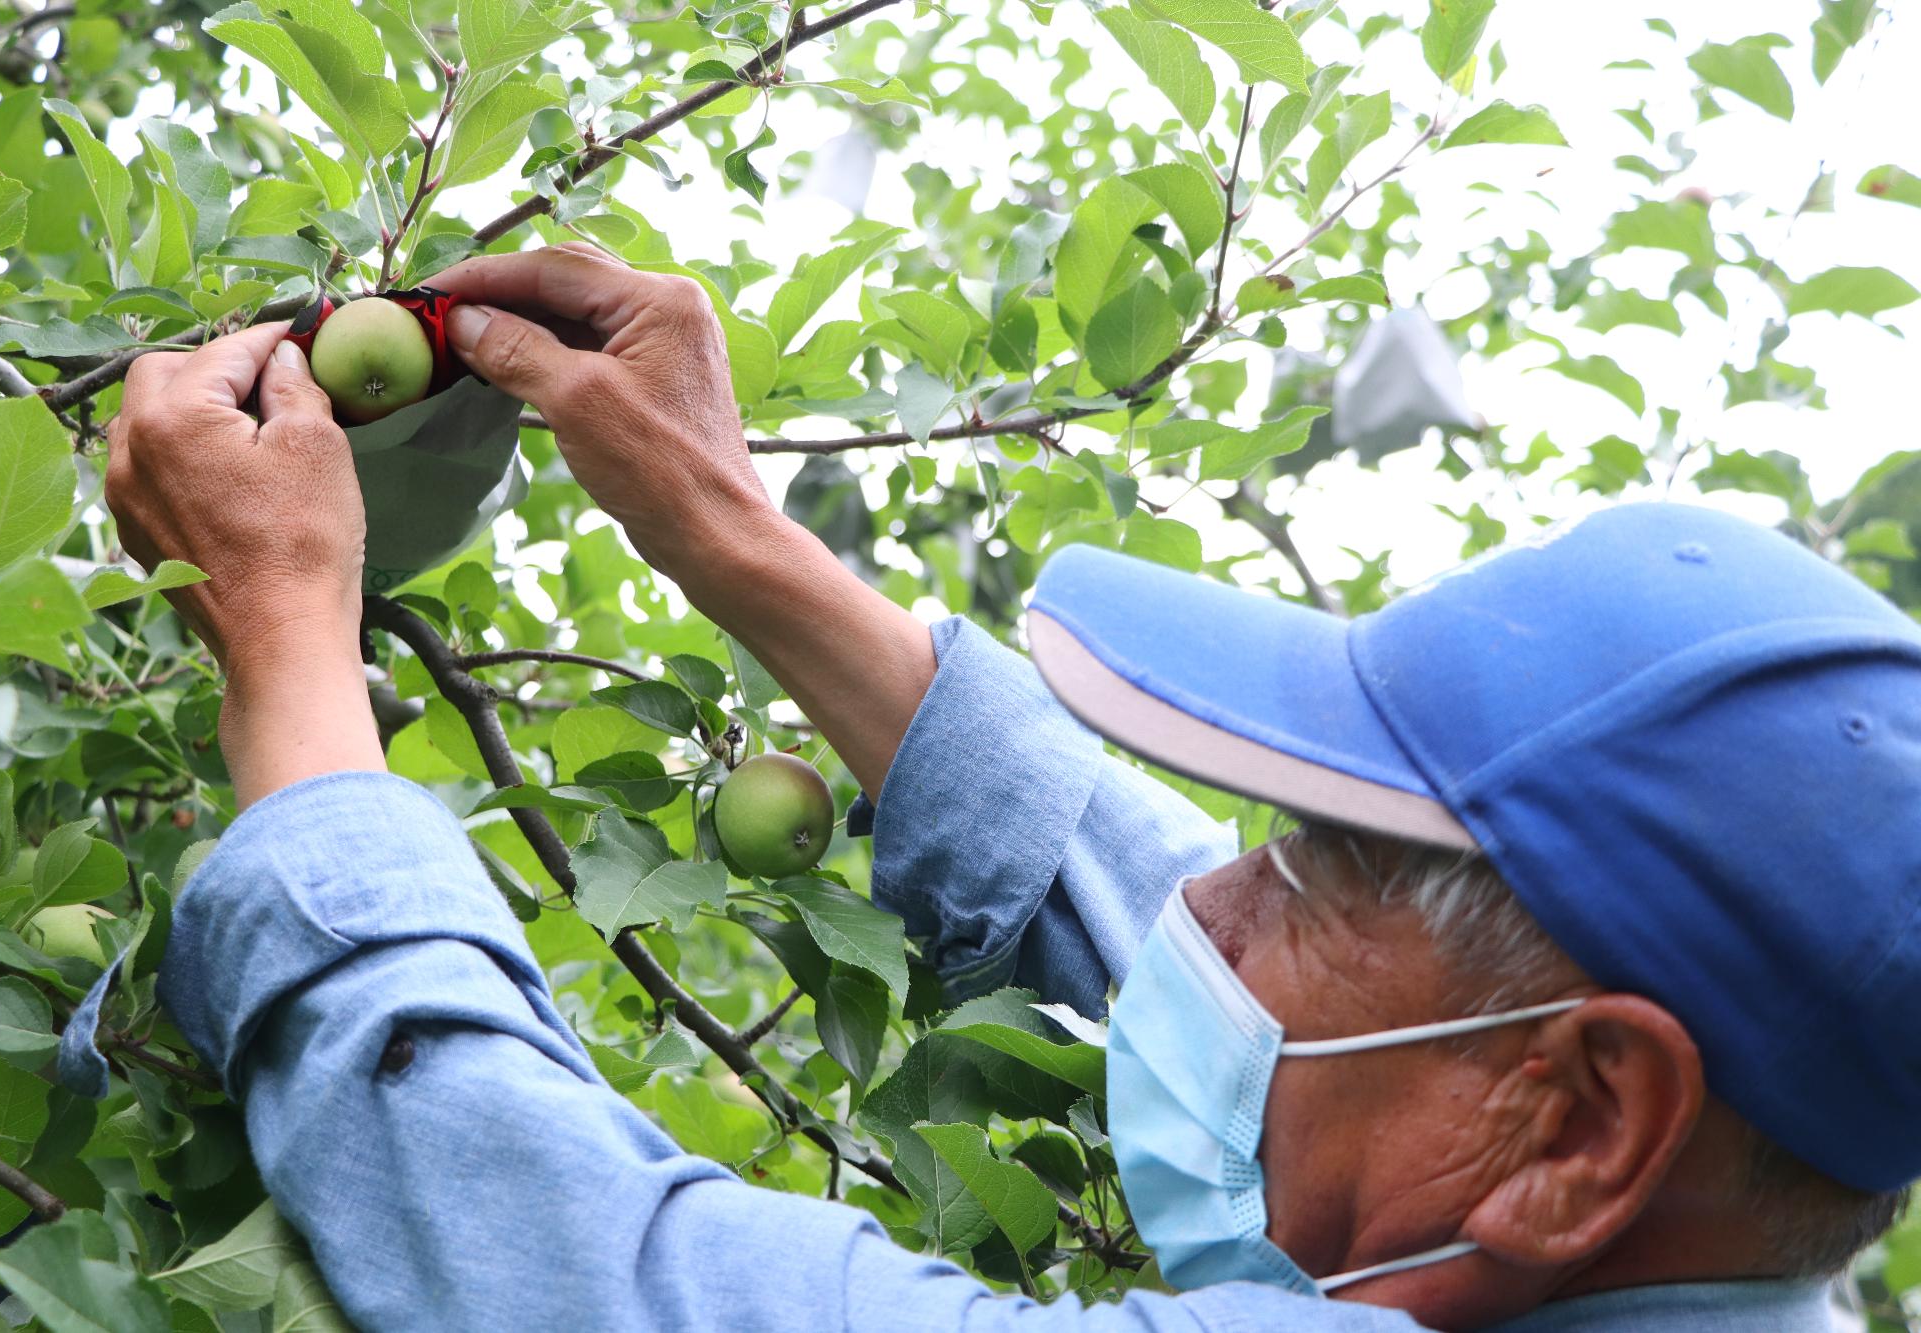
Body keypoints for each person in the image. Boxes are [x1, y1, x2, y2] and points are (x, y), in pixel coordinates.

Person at [103, 244, 1920, 1332]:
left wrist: (284, 638)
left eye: (1309, 868)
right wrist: (732, 534)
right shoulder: (1670, 1221)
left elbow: (578, 1265)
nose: (1207, 905)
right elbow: (1226, 933)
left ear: (1589, 1120)